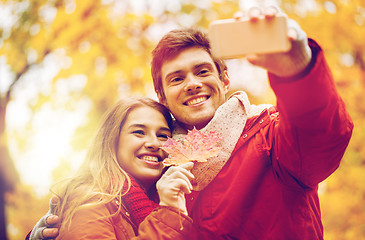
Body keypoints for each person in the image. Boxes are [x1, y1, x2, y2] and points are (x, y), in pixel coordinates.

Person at [30, 5, 353, 240]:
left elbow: (322, 134)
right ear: (162, 94)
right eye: (176, 78)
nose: (192, 84)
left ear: (224, 79)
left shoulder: (271, 137)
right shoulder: (159, 173)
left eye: (202, 71)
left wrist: (298, 69)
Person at [27, 97, 194, 239]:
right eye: (139, 132)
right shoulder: (91, 199)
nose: (154, 143)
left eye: (163, 136)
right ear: (112, 140)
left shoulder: (165, 199)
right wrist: (168, 216)